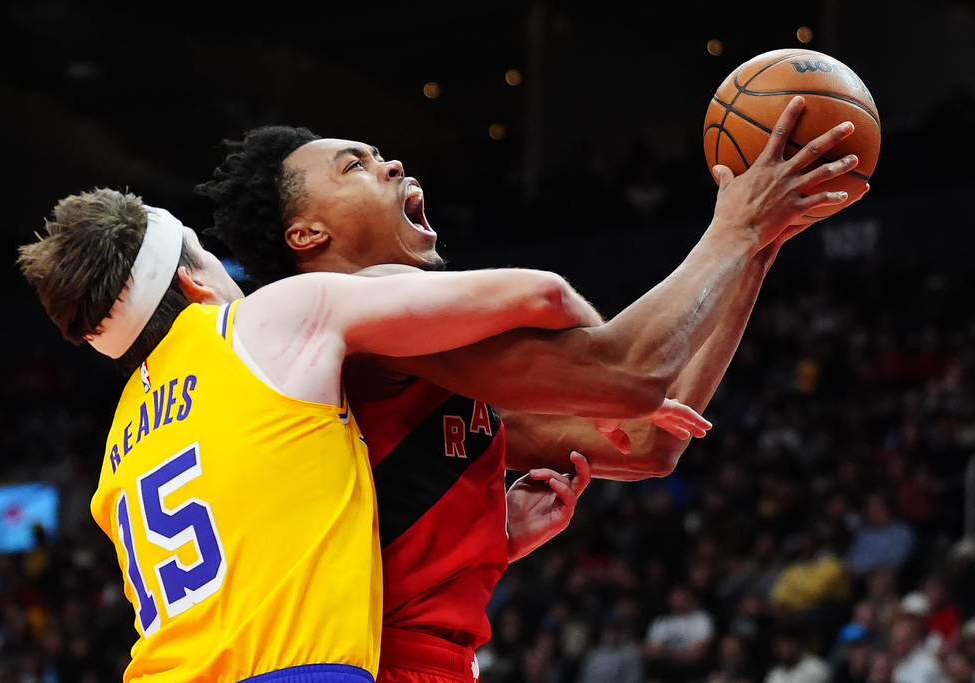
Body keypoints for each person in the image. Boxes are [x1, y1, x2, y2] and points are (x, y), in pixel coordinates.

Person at [196, 97, 864, 682]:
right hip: (380, 660)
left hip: (422, 657)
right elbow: (630, 375)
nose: (391, 165)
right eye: (355, 166)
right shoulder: (358, 323)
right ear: (309, 233)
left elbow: (648, 438)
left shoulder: (426, 354)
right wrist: (735, 230)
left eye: (381, 155)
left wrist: (758, 247)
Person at [16, 189, 604, 682]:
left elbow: (277, 541)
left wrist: (483, 535)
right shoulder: (264, 322)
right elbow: (541, 295)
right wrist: (619, 380)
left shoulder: (118, 454)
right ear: (194, 282)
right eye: (207, 252)